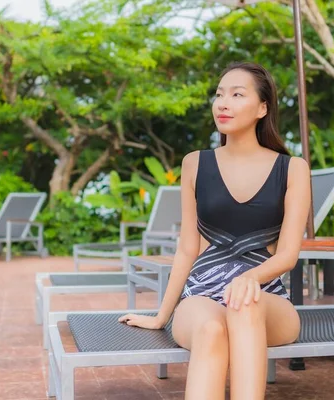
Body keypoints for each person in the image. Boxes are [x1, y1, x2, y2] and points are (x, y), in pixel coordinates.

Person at [118, 61, 311, 400]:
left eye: (237, 95)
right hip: (202, 296)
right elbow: (187, 249)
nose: (223, 103)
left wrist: (250, 278)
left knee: (244, 305)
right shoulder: (195, 163)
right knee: (210, 329)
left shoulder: (292, 169)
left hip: (267, 301)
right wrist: (160, 316)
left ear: (262, 108)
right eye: (219, 94)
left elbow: (288, 255)